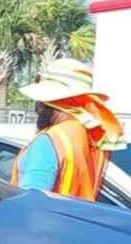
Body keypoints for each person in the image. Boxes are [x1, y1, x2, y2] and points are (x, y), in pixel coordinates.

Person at [9, 58, 124, 200]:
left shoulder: (48, 141)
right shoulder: (89, 135)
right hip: (76, 220)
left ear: (52, 102)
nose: (36, 108)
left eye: (39, 101)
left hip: (49, 221)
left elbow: (31, 204)